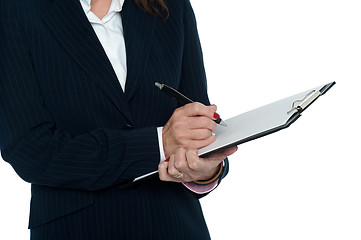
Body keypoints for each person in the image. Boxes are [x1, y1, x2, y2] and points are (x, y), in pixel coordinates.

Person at [0, 0, 237, 239]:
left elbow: (197, 123)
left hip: (174, 225)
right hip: (76, 229)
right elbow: (28, 149)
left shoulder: (172, 6)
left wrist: (206, 170)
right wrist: (155, 144)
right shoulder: (16, 9)